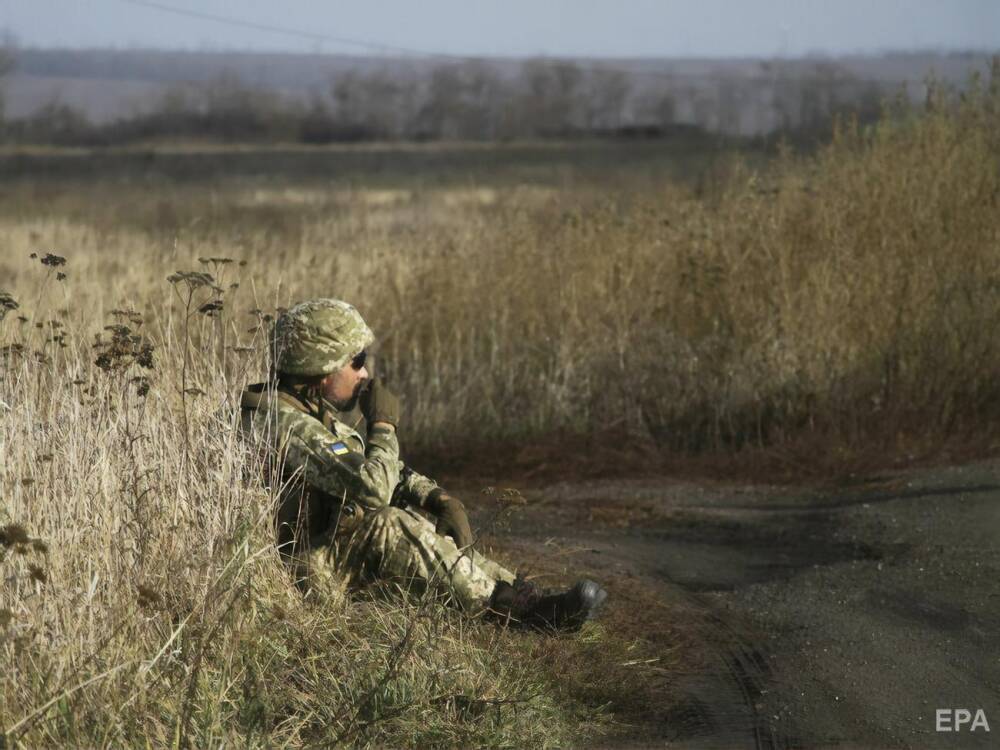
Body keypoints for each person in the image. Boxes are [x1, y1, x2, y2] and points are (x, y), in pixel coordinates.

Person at [238, 298, 607, 630]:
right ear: (323, 368)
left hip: (323, 553)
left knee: (413, 516)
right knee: (387, 522)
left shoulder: (308, 413)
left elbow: (375, 468)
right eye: (357, 361)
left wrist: (437, 498)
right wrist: (382, 426)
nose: (364, 373)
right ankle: (513, 612)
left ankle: (523, 596)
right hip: (300, 573)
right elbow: (371, 490)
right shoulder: (281, 425)